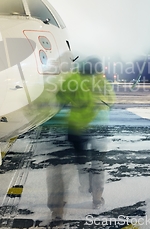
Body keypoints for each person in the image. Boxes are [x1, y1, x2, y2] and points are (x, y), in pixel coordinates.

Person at [47, 57, 115, 220]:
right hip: (100, 127)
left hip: (77, 128)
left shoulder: (73, 80)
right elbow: (111, 101)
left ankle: (73, 196)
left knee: (77, 163)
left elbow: (60, 98)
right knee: (98, 164)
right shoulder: (102, 83)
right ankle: (97, 198)